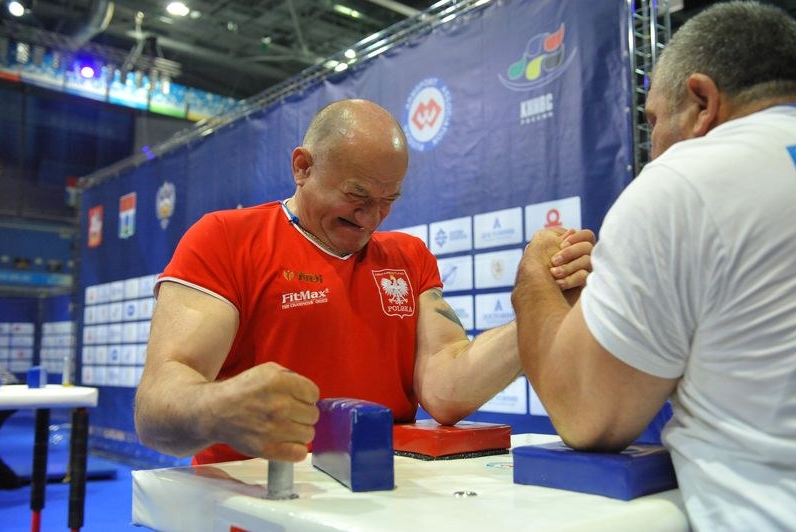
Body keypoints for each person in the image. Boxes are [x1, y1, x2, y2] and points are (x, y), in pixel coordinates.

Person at [134, 99, 595, 465]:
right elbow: (157, 406)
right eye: (356, 194)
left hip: (379, 499)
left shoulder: (408, 258)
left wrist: (539, 306)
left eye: (388, 200)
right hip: (254, 500)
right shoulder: (226, 239)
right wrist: (218, 408)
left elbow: (445, 388)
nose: (370, 217)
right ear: (302, 166)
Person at [511, 2, 796, 529]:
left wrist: (533, 274)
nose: (654, 147)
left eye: (654, 121)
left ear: (702, 101)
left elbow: (587, 415)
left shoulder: (687, 181)